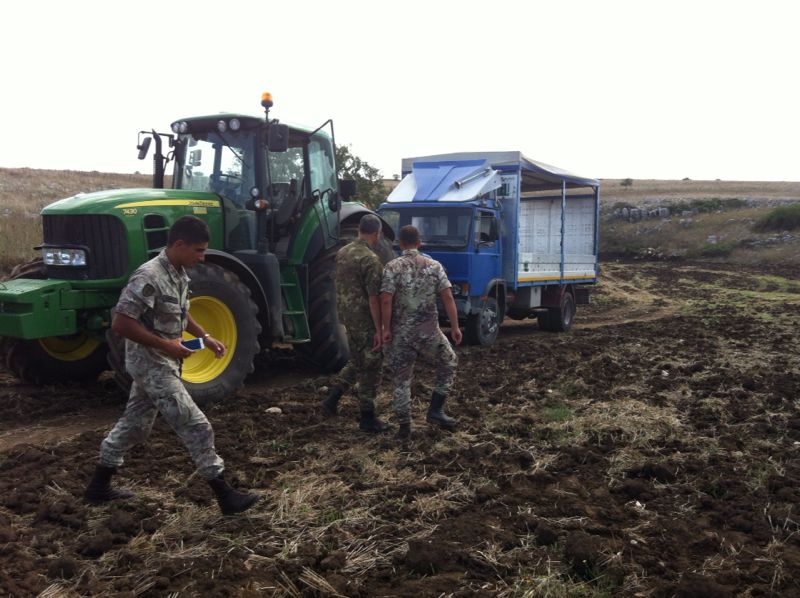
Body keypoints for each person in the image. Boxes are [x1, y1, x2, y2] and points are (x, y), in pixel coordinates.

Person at [84, 216, 259, 515]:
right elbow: (121, 323)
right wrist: (167, 346)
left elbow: (181, 313)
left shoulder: (179, 273)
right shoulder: (148, 277)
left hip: (163, 360)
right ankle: (225, 496)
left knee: (135, 426)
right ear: (179, 245)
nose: (202, 257)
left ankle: (98, 487)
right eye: (199, 251)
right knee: (197, 426)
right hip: (151, 364)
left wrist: (205, 337)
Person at [380, 225, 462, 440]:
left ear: (399, 242)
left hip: (400, 334)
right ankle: (435, 410)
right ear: (419, 242)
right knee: (449, 361)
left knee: (401, 379)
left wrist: (386, 328)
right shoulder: (434, 266)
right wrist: (454, 327)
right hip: (429, 333)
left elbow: (386, 299)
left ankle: (404, 427)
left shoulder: (391, 267)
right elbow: (448, 298)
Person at [322, 214, 390, 433]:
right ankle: (367, 417)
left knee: (357, 361)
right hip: (364, 318)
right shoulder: (370, 259)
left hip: (347, 317)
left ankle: (332, 400)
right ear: (377, 233)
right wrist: (379, 329)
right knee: (371, 365)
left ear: (360, 229)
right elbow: (373, 297)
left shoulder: (342, 252)